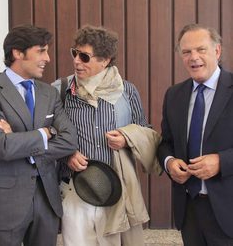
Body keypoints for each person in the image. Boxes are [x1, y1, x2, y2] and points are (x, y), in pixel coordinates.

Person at [53, 25, 162, 246]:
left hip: (116, 190)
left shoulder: (127, 91)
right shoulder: (60, 89)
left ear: (105, 60)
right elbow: (49, 134)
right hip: (74, 188)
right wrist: (67, 154)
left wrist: (126, 138)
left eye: (85, 57)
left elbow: (145, 130)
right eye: (74, 53)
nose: (76, 61)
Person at [0, 25, 78, 246]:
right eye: (41, 51)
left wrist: (26, 138)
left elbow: (69, 140)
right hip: (7, 204)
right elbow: (2, 147)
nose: (47, 58)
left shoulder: (49, 92)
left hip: (47, 200)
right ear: (18, 52)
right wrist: (45, 133)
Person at [158, 23, 233, 245]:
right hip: (189, 208)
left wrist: (221, 161)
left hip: (228, 209)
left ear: (217, 51)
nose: (194, 57)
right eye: (186, 52)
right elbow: (165, 143)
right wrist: (169, 162)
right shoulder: (173, 95)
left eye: (201, 49)